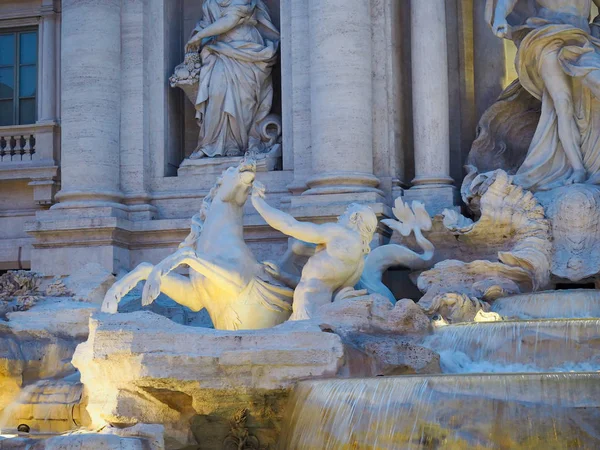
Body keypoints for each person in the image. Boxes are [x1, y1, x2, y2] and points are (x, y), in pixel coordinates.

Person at [487, 0, 600, 190]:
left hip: (582, 38)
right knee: (562, 105)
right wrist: (499, 16)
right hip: (546, 35)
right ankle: (578, 168)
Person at [251, 182, 378, 320]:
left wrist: (258, 203)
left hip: (307, 308)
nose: (338, 218)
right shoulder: (358, 262)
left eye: (344, 214)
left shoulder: (340, 234)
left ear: (354, 218)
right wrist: (282, 276)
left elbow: (290, 225)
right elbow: (317, 283)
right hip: (316, 311)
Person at [185, 0, 279, 158]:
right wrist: (197, 36)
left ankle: (237, 146)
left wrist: (200, 36)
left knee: (243, 100)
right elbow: (205, 26)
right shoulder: (209, 3)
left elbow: (231, 19)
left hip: (246, 52)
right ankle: (210, 144)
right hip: (218, 52)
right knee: (216, 93)